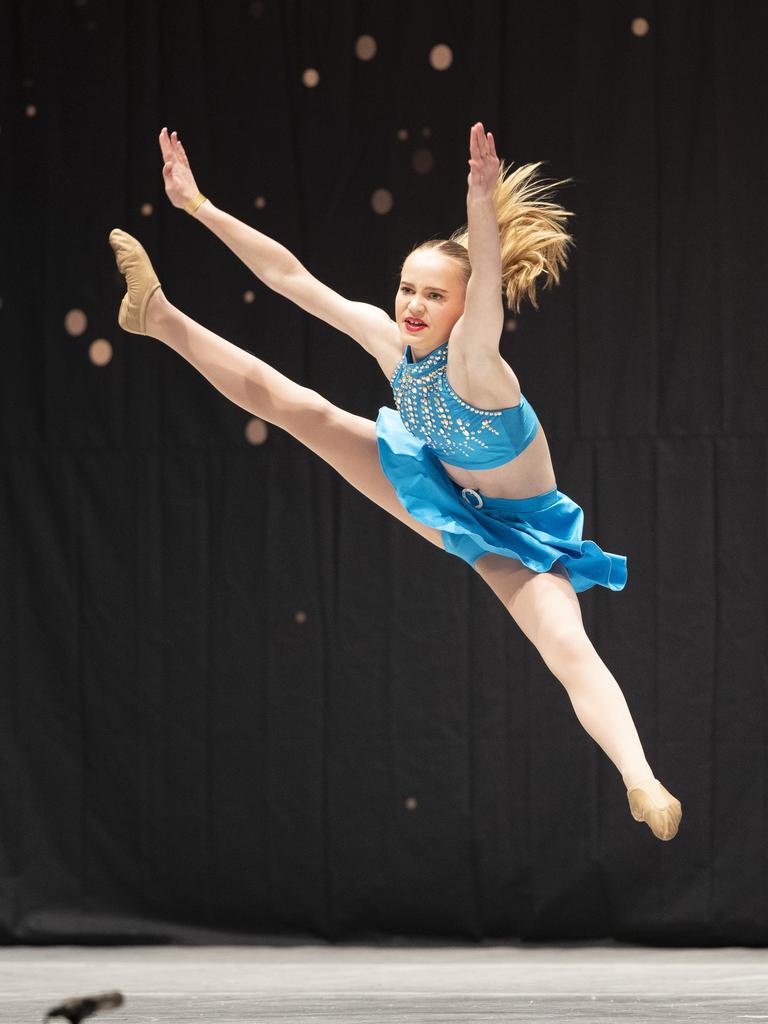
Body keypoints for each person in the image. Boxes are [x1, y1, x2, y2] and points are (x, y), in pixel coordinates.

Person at [107, 123, 682, 841]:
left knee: (566, 644)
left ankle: (641, 779)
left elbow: (485, 295)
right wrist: (198, 206)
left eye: (433, 297)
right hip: (441, 487)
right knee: (302, 411)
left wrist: (479, 199)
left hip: (522, 536)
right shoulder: (393, 343)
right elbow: (291, 278)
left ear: (465, 307)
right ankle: (157, 316)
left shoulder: (478, 364)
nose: (412, 306)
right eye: (408, 289)